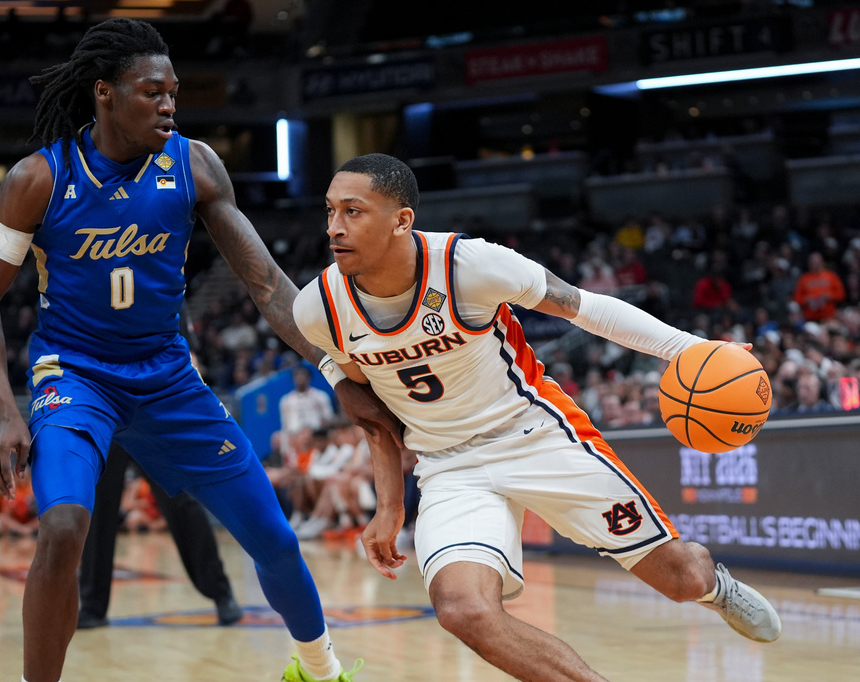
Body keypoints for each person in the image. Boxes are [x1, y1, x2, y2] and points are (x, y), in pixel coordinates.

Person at [0, 18, 393, 682]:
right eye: (151, 91)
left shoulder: (193, 165)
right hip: (75, 378)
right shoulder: (37, 180)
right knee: (66, 524)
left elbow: (269, 287)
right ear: (104, 93)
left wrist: (334, 369)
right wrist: (5, 413)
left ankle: (320, 669)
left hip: (167, 378)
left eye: (174, 92)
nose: (168, 104)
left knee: (273, 539)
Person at [293, 153, 782, 682]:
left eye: (352, 211)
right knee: (462, 609)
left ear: (402, 220)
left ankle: (715, 586)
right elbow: (372, 415)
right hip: (447, 466)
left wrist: (692, 349)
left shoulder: (471, 266)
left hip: (537, 434)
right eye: (329, 212)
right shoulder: (319, 308)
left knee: (681, 578)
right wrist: (389, 506)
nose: (334, 228)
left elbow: (586, 307)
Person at [77, 442, 244, 630]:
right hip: (107, 418)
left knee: (180, 498)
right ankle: (92, 606)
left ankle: (221, 592)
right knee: (98, 505)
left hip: (147, 416)